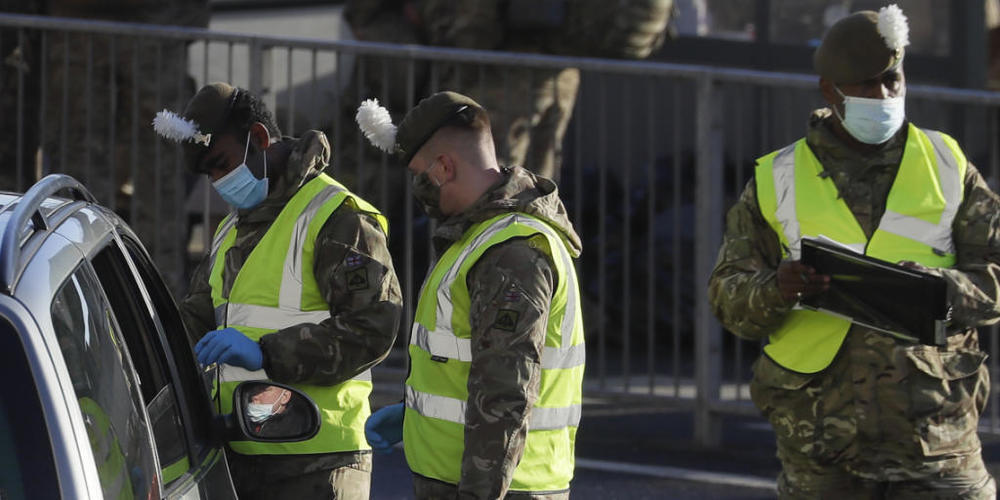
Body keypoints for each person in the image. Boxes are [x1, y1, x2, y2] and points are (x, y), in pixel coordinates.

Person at [708, 5, 999, 499]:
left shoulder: (948, 164)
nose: (884, 96)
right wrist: (778, 288)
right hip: (820, 440)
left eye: (893, 81)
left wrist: (940, 289)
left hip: (934, 434)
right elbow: (727, 297)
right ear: (831, 91)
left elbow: (993, 275)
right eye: (868, 85)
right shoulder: (775, 177)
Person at [158, 82, 403, 500]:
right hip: (239, 455)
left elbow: (372, 328)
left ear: (259, 138)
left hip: (319, 464)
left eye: (222, 164)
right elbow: (196, 316)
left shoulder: (337, 218)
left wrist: (267, 353)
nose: (219, 181)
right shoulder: (231, 229)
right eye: (209, 173)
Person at [357, 91, 585, 499]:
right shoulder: (478, 237)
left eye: (420, 174)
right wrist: (418, 417)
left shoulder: (510, 251)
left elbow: (505, 392)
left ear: (445, 166)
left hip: (499, 488)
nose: (418, 188)